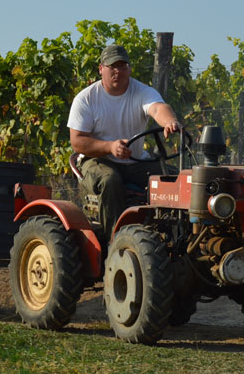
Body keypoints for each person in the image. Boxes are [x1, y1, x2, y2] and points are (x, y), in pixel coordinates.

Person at [67, 44, 181, 241]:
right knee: (110, 181)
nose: (118, 71)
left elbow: (157, 108)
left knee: (178, 180)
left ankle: (177, 238)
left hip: (135, 161)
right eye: (112, 66)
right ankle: (116, 242)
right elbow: (77, 142)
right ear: (101, 68)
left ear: (129, 68)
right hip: (98, 160)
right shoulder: (86, 99)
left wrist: (169, 121)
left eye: (122, 66)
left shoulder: (141, 92)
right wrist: (110, 147)